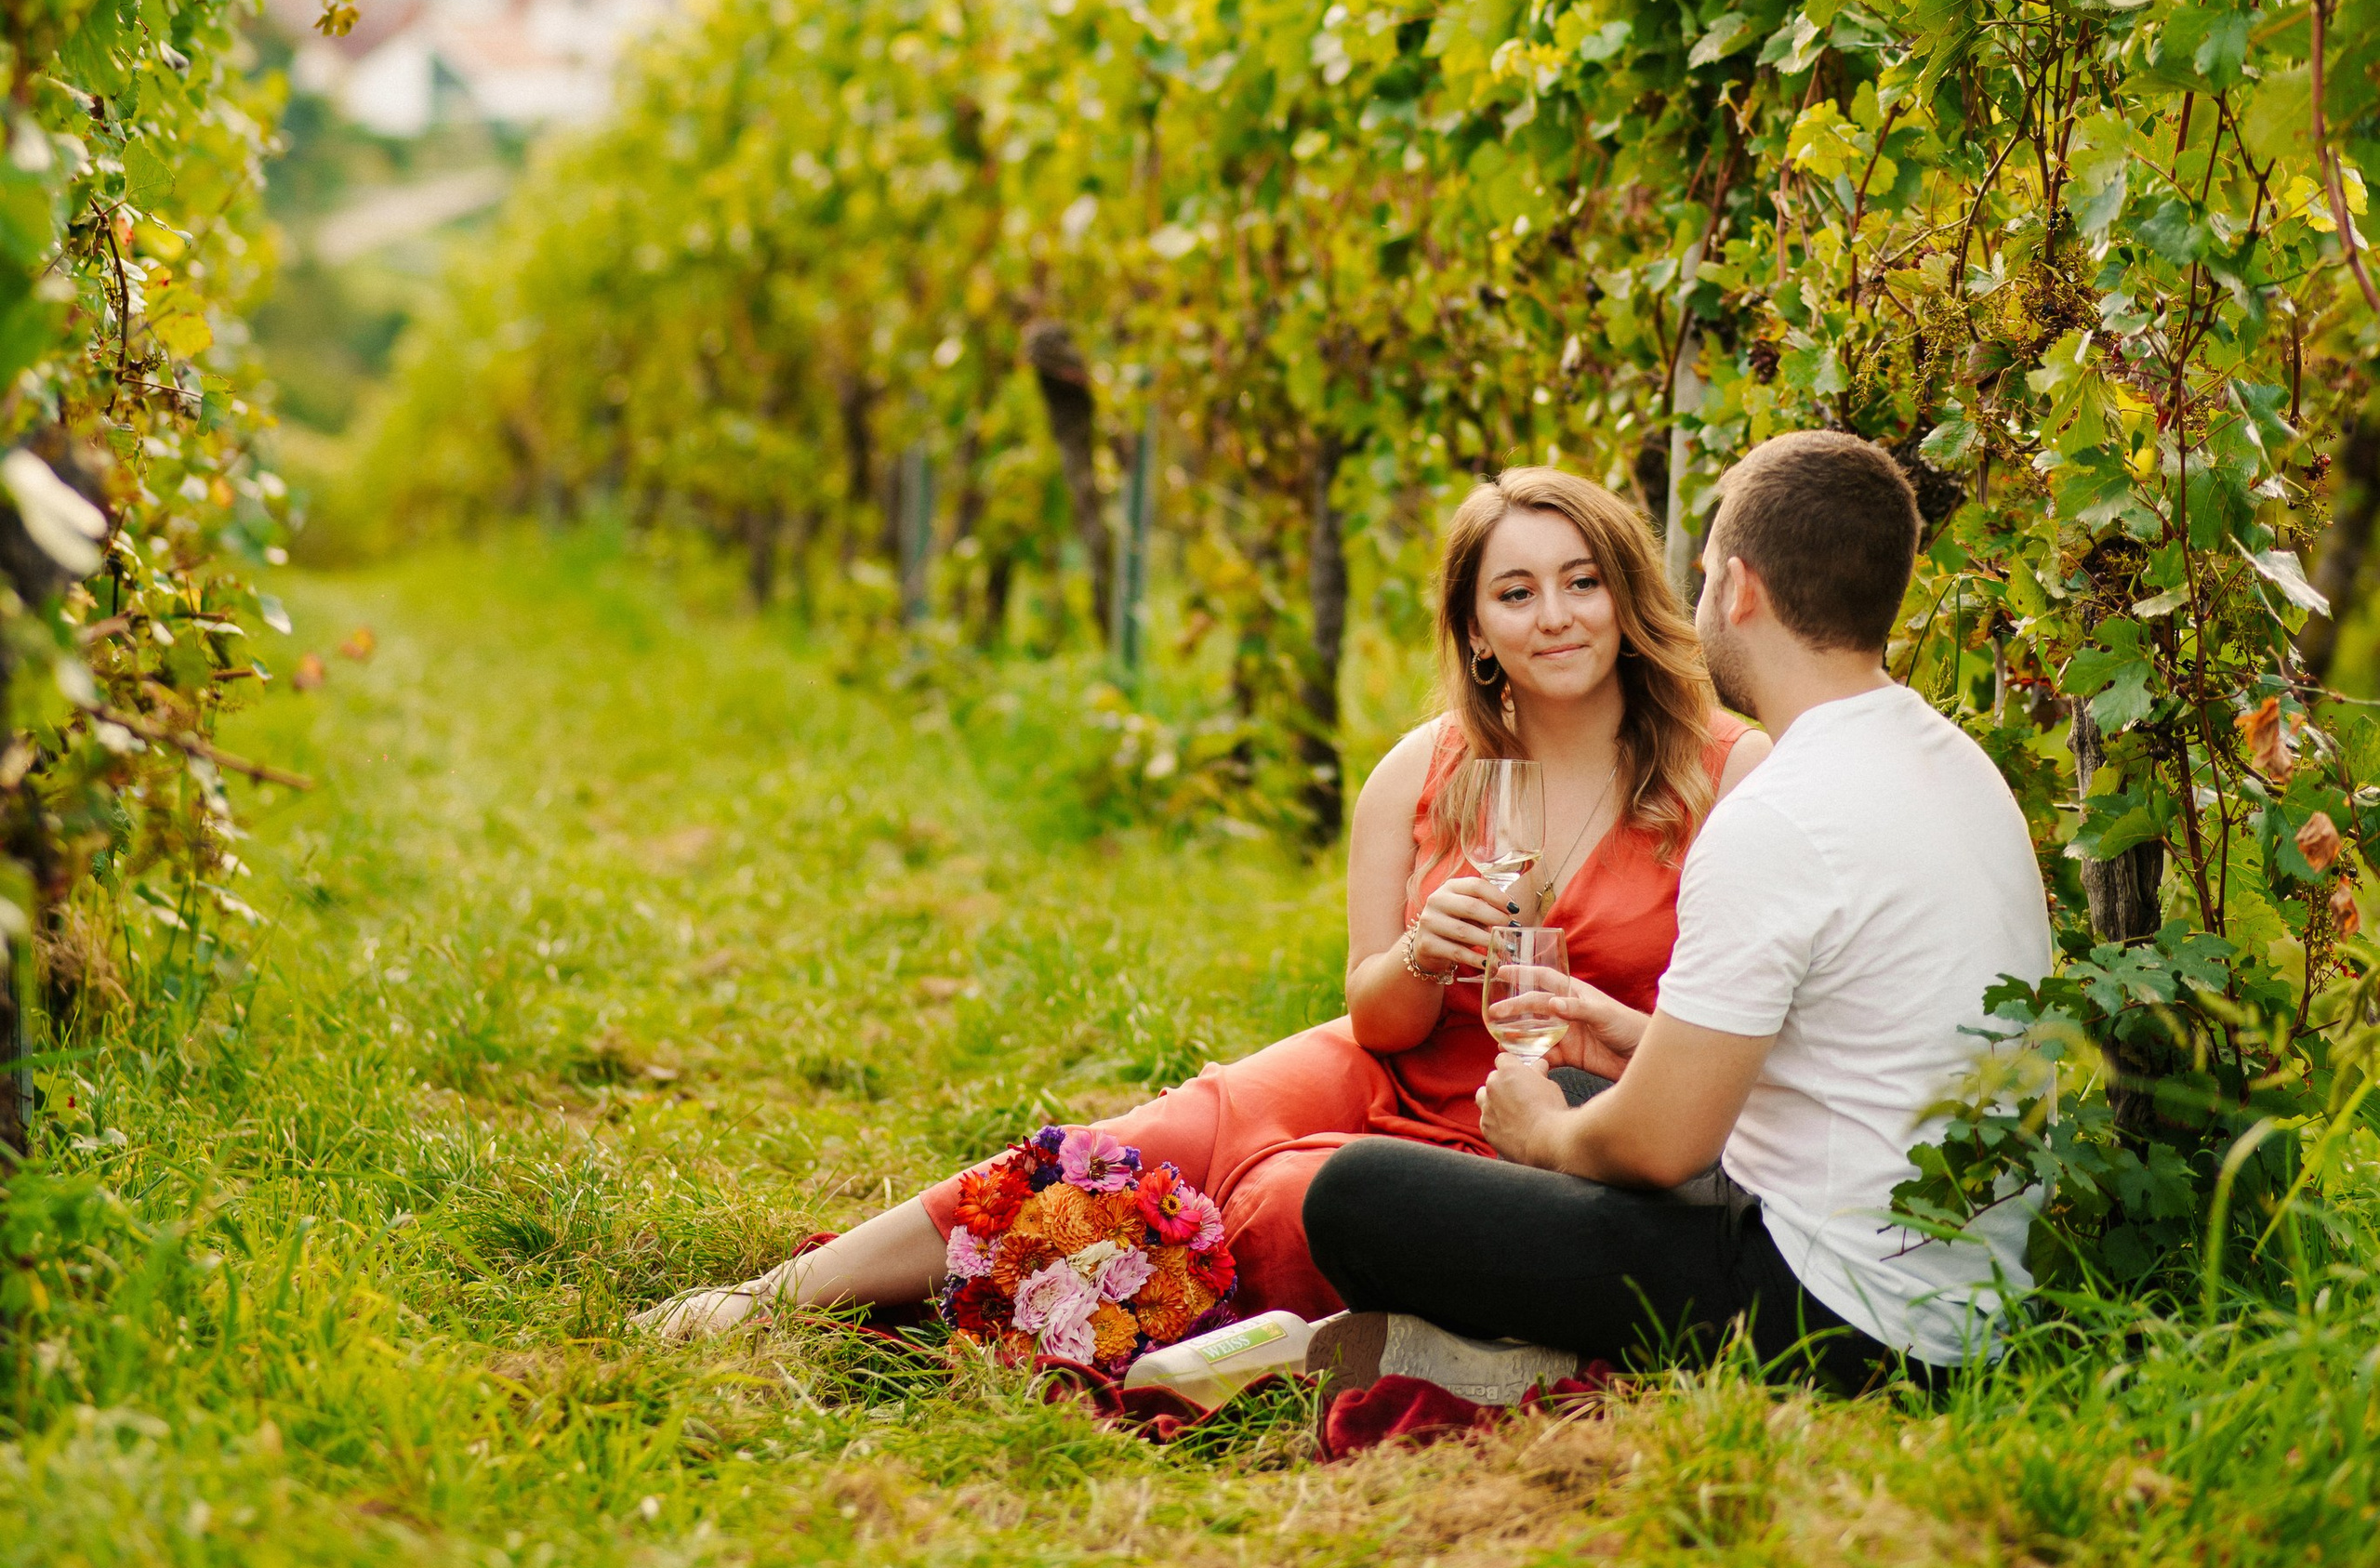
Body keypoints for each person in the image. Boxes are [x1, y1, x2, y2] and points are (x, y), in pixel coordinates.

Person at [635, 467, 1768, 1345]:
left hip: (1568, 1118)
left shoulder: (1728, 774)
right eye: (1514, 592)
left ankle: (1050, 1310)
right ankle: (778, 1295)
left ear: (1627, 600)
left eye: (1582, 581)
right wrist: (1425, 953)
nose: (1555, 615)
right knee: (1151, 1138)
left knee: (1280, 1208)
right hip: (1394, 1070)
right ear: (1475, 632)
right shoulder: (1418, 775)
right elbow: (1377, 1019)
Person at [1301, 429, 2055, 1393]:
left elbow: (1659, 1149)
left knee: (1358, 1197)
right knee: (1580, 1094)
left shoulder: (1771, 811)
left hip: (1836, 1316)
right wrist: (1624, 1037)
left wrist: (1540, 1139)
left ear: (1736, 589)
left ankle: (1517, 1358)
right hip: (1960, 1284)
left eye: (1699, 580)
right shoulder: (1951, 763)